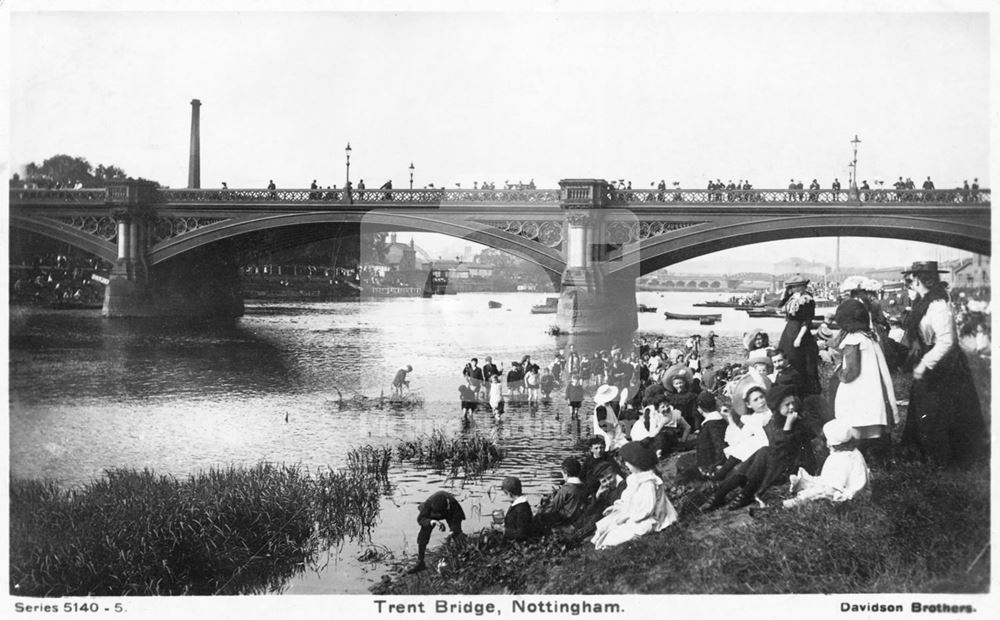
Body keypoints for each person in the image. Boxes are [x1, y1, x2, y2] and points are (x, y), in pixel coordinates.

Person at [899, 261, 986, 467]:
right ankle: (924, 452)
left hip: (944, 364)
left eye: (912, 278)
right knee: (924, 406)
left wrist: (925, 364)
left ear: (920, 279)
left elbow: (946, 341)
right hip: (930, 357)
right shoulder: (924, 302)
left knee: (940, 409)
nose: (910, 282)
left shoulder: (938, 305)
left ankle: (945, 458)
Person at [833, 298, 897, 466]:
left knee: (855, 415)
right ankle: (879, 454)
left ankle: (858, 452)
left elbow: (852, 372)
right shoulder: (869, 336)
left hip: (859, 386)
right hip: (873, 384)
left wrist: (838, 369)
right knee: (873, 415)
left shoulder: (853, 340)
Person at [590, 442, 678, 550]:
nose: (626, 465)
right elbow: (627, 497)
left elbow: (646, 509)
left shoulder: (648, 483)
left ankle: (611, 544)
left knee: (616, 534)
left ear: (637, 463)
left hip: (650, 517)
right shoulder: (634, 478)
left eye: (628, 462)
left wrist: (627, 516)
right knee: (607, 523)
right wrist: (618, 506)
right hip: (633, 511)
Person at [782, 419, 870, 508]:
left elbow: (835, 485)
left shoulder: (843, 458)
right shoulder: (852, 452)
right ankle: (804, 483)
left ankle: (799, 500)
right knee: (820, 483)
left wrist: (824, 487)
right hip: (846, 485)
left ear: (831, 443)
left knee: (820, 491)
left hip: (848, 491)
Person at [778, 274, 821, 395]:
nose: (796, 289)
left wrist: (799, 338)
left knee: (800, 361)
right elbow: (780, 304)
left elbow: (807, 321)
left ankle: (803, 391)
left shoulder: (808, 300)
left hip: (800, 332)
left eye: (799, 287)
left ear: (804, 287)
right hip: (789, 330)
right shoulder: (792, 298)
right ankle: (787, 386)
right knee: (786, 355)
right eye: (794, 287)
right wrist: (786, 291)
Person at [409, 491, 465, 573]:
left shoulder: (454, 505)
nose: (439, 517)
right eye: (437, 514)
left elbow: (457, 523)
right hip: (432, 513)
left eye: (439, 514)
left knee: (457, 535)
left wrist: (452, 532)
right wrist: (433, 521)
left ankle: (459, 559)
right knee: (425, 529)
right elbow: (421, 519)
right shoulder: (428, 503)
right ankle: (420, 562)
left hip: (450, 513)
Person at [534, 457, 588, 531]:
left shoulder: (566, 488)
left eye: (562, 473)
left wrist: (543, 507)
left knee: (539, 517)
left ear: (566, 472)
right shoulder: (583, 486)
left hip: (565, 517)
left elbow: (554, 506)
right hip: (576, 516)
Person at [696, 391, 729, 477]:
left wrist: (717, 465)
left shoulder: (712, 424)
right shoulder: (720, 420)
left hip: (712, 464)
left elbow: (719, 445)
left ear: (700, 408)